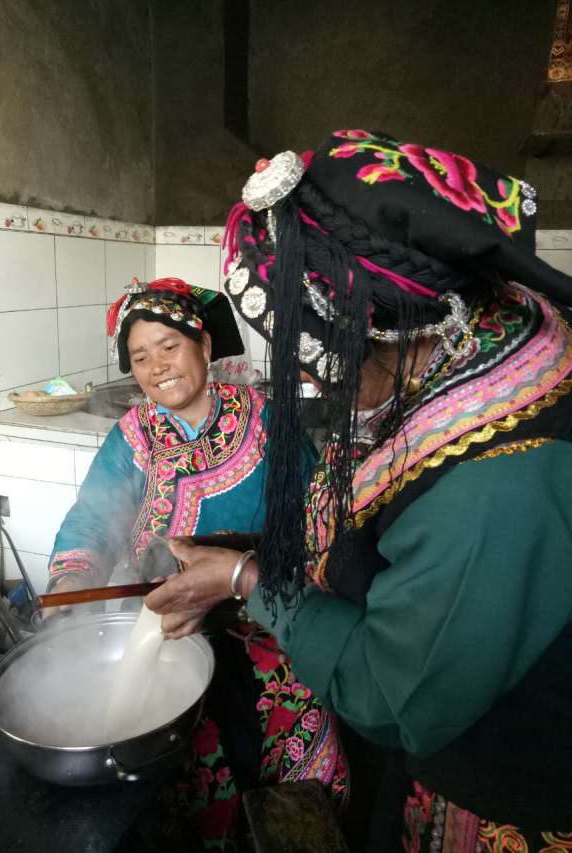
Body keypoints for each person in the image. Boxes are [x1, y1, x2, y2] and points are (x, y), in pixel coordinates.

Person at [147, 132, 572, 851]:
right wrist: (249, 552)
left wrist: (247, 578)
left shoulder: (493, 488)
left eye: (311, 351)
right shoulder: (484, 338)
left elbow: (391, 694)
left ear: (379, 328)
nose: (306, 377)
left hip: (507, 796)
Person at [47, 276, 347, 851]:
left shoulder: (266, 419)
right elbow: (92, 519)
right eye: (140, 357)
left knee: (295, 801)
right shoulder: (132, 437)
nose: (157, 367)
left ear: (205, 346)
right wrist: (72, 578)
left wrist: (246, 575)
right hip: (169, 629)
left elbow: (318, 522)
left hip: (268, 622)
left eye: (169, 346)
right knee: (181, 783)